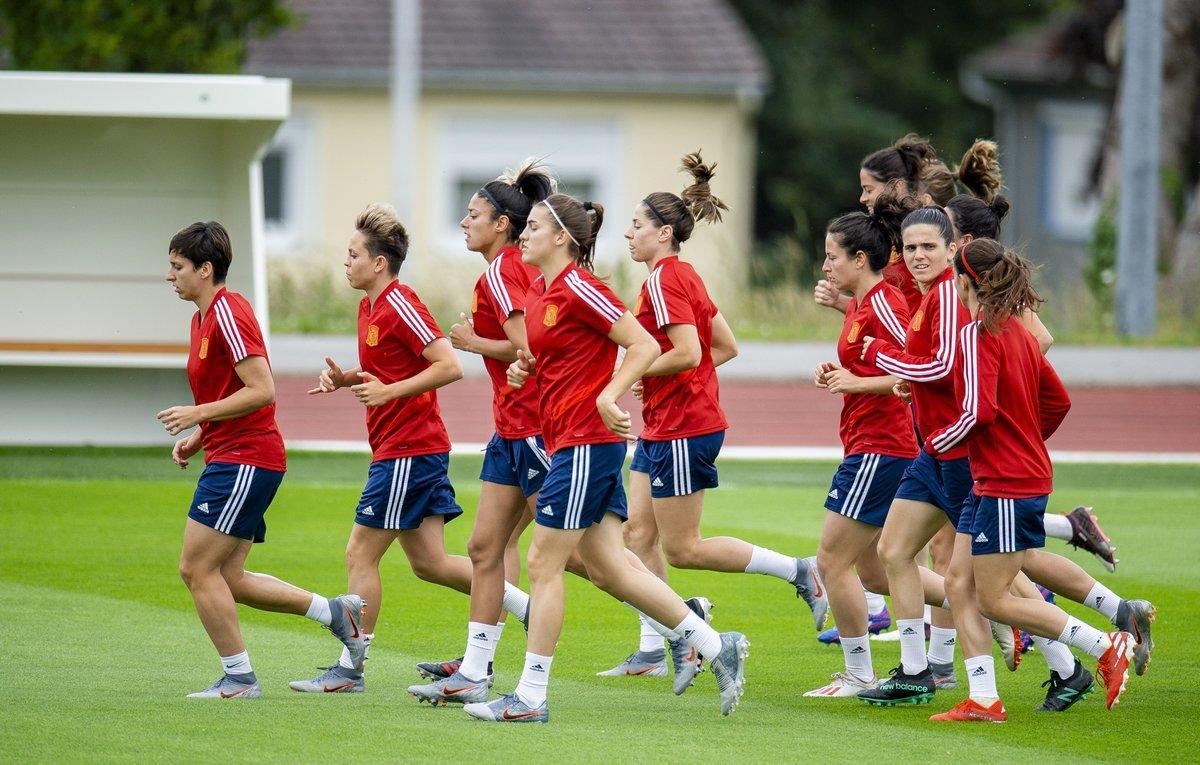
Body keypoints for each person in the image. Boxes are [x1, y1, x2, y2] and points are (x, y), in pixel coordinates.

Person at [463, 194, 749, 723]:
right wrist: (527, 371)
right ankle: (713, 643)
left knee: (543, 563)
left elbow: (640, 345)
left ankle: (529, 697)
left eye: (532, 228)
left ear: (561, 239)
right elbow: (555, 357)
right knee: (611, 568)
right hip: (570, 441)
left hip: (586, 443)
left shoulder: (578, 286)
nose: (523, 235)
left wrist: (609, 393)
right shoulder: (545, 290)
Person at [598, 152, 827, 690]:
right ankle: (658, 645)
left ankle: (799, 570)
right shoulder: (681, 276)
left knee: (684, 548)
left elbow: (688, 349)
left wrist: (647, 369)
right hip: (664, 422)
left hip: (684, 427)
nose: (628, 235)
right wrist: (655, 377)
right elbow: (722, 347)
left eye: (636, 226)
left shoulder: (663, 281)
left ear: (663, 233)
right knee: (635, 533)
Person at [290, 204, 528, 693]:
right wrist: (347, 379)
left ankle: (350, 669)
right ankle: (527, 606)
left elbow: (447, 365)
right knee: (430, 564)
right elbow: (392, 371)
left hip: (409, 450)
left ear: (380, 263)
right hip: (404, 448)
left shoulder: (401, 302)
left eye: (353, 254)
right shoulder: (369, 307)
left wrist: (388, 393)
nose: (346, 262)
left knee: (359, 553)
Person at [924, 239, 1138, 722]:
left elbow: (977, 412)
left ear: (964, 281)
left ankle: (1105, 644)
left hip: (1003, 481)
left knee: (994, 598)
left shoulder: (978, 334)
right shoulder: (1019, 333)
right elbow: (1057, 401)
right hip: (1002, 478)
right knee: (958, 582)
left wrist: (939, 442)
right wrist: (1026, 440)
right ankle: (983, 699)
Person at [160, 221, 365, 699]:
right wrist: (199, 437)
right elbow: (227, 393)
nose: (170, 276)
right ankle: (336, 614)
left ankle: (239, 679)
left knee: (196, 569)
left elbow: (262, 389)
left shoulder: (229, 312)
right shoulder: (201, 318)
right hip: (235, 455)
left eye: (177, 266)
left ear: (205, 269)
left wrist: (199, 414)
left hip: (247, 460)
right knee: (228, 576)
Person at [406, 161, 555, 704]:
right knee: (484, 547)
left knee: (589, 559)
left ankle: (684, 627)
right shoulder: (506, 266)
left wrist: (471, 343)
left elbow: (529, 352)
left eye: (473, 214)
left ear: (502, 225)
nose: (463, 222)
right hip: (511, 430)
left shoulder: (500, 271)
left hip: (537, 428)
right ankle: (475, 670)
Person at [945, 192, 1118, 572]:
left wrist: (1012, 428)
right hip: (1000, 464)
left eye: (942, 232)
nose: (926, 249)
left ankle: (1091, 633)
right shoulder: (998, 319)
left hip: (991, 462)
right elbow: (1055, 399)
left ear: (965, 244)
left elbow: (983, 406)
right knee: (965, 575)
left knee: (986, 582)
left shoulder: (992, 324)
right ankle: (1110, 611)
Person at [804, 191, 923, 698]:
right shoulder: (862, 305)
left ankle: (859, 674)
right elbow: (880, 364)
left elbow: (919, 372)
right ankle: (980, 600)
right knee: (875, 570)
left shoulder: (886, 304)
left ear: (859, 259)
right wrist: (845, 374)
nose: (826, 265)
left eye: (833, 256)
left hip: (881, 447)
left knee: (831, 562)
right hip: (868, 443)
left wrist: (856, 383)